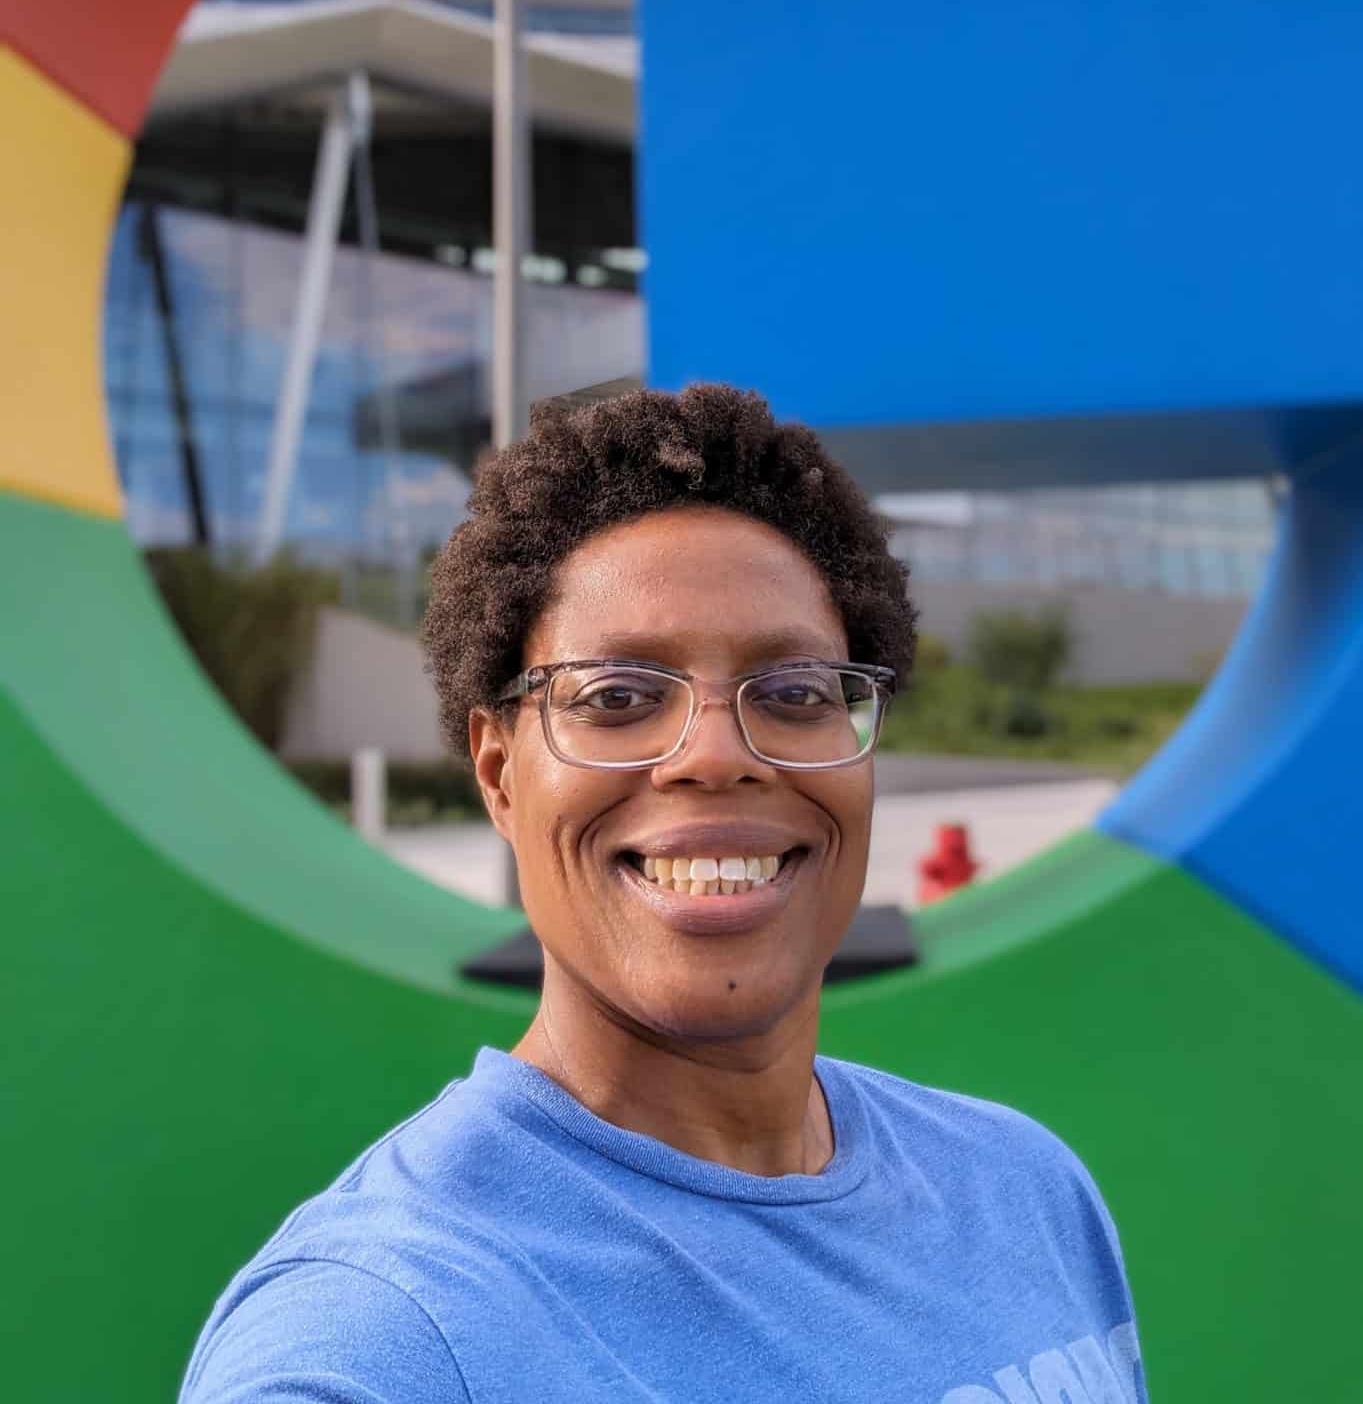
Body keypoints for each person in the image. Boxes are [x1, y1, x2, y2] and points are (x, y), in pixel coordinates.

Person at [180, 384, 1147, 1404]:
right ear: (500, 774)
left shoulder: (1027, 1191)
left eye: (796, 692)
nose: (715, 756)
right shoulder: (380, 1337)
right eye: (619, 699)